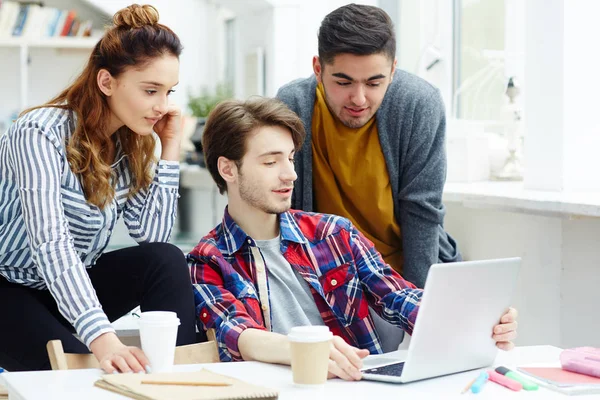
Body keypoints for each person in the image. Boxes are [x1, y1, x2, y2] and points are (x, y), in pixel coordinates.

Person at [187, 97, 518, 381]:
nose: (291, 174)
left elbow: (399, 297)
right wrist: (307, 350)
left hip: (359, 387)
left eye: (290, 158)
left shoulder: (334, 234)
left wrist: (471, 320)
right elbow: (238, 334)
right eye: (271, 162)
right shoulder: (207, 260)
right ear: (228, 169)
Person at [0, 4, 198, 373]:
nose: (162, 106)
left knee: (166, 259)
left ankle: (179, 375)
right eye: (151, 90)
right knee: (83, 368)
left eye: (169, 92)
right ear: (106, 82)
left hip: (73, 287)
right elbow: (50, 243)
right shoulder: (38, 133)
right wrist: (102, 336)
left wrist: (168, 149)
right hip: (11, 288)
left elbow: (153, 236)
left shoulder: (131, 141)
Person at [276, 4, 460, 289]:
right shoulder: (293, 106)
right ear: (318, 68)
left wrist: (418, 306)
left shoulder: (418, 104)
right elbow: (281, 212)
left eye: (374, 82)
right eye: (343, 82)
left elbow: (422, 211)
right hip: (324, 278)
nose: (359, 99)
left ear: (393, 70)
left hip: (404, 272)